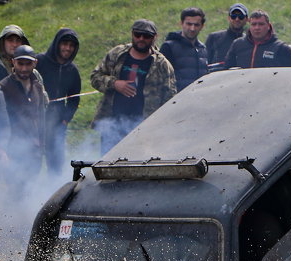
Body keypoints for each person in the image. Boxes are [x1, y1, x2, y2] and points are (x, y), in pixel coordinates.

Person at [89, 19, 177, 153]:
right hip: (113, 124)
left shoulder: (162, 64)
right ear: (132, 34)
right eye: (137, 34)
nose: (141, 39)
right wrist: (114, 83)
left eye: (146, 36)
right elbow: (95, 77)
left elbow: (170, 99)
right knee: (108, 166)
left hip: (145, 128)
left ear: (155, 37)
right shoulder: (117, 55)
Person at [0, 45, 48, 177]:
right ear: (13, 62)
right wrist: (2, 151)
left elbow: (41, 117)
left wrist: (41, 146)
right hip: (13, 152)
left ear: (35, 63)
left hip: (34, 151)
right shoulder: (3, 87)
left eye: (28, 64)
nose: (24, 68)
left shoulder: (37, 86)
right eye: (20, 64)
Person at [37, 28, 81, 174]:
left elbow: (74, 99)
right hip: (35, 120)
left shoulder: (72, 71)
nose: (67, 48)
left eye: (71, 45)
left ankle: (53, 191)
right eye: (64, 43)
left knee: (56, 164)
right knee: (30, 161)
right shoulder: (40, 62)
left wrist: (65, 120)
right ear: (57, 43)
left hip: (57, 124)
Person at [222, 10, 291, 68]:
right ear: (249, 26)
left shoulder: (281, 47)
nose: (257, 28)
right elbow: (226, 69)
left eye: (261, 24)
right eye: (254, 24)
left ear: (268, 26)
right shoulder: (237, 44)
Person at [161, 8, 210, 90]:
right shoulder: (168, 47)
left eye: (196, 25)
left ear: (202, 26)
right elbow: (161, 78)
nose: (192, 28)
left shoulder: (203, 49)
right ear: (181, 23)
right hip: (177, 99)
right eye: (189, 24)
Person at [207, 3, 249, 67]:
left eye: (241, 16)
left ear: (246, 19)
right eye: (233, 16)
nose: (237, 19)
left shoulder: (248, 41)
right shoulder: (214, 38)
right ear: (229, 18)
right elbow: (206, 63)